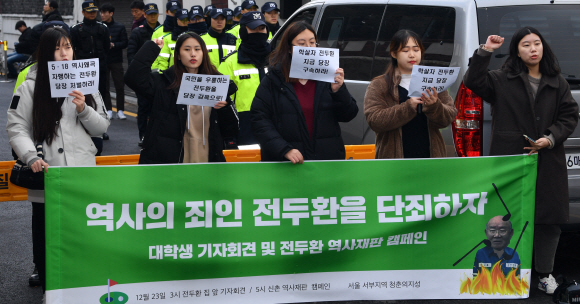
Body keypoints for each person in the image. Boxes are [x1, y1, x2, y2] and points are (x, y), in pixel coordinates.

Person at [463, 26, 579, 295]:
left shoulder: (557, 81)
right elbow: (473, 81)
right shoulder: (502, 79)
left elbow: (569, 117)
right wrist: (485, 51)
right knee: (508, 217)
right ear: (517, 50)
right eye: (526, 45)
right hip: (511, 159)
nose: (533, 49)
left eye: (537, 43)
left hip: (548, 159)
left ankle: (545, 273)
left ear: (544, 48)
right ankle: (508, 272)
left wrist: (550, 138)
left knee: (549, 219)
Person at [6, 27, 109, 294]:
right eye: (57, 48)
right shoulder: (31, 83)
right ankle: (48, 283)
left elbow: (101, 128)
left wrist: (83, 109)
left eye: (68, 47)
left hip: (82, 175)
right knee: (45, 233)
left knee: (83, 231)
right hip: (48, 172)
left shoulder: (86, 80)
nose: (64, 54)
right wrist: (30, 157)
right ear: (45, 51)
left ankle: (82, 283)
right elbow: (17, 127)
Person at [251, 21, 358, 163]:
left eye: (312, 42)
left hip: (326, 161)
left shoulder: (327, 77)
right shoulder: (274, 79)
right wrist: (284, 149)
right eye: (302, 44)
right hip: (286, 164)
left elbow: (348, 114)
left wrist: (339, 90)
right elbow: (259, 119)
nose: (309, 48)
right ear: (289, 49)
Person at [124, 33, 239, 164]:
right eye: (187, 49)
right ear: (178, 55)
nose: (193, 54)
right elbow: (132, 78)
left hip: (207, 159)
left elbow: (232, 129)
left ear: (204, 54)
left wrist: (225, 108)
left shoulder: (216, 85)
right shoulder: (164, 83)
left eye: (197, 49)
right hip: (170, 162)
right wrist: (151, 48)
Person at [364, 30, 457, 159]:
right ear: (394, 53)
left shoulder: (434, 80)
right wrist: (408, 107)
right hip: (394, 161)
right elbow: (374, 120)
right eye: (405, 50)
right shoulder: (379, 84)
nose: (412, 55)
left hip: (430, 157)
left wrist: (434, 106)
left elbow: (448, 117)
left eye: (416, 50)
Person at [219, 12, 271, 145]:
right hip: (244, 125)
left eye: (261, 28)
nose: (258, 32)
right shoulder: (230, 62)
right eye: (253, 29)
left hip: (275, 121)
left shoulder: (277, 60)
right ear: (243, 32)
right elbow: (220, 98)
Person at [70, 0, 111, 142]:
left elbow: (106, 47)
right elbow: (73, 49)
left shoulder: (103, 28)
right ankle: (84, 124)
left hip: (99, 67)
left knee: (101, 95)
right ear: (83, 12)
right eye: (89, 12)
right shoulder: (76, 29)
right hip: (82, 69)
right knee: (84, 96)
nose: (92, 14)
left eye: (94, 11)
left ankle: (100, 128)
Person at [127, 2, 160, 146]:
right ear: (145, 15)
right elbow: (131, 54)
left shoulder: (163, 31)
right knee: (143, 108)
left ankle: (157, 135)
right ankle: (143, 135)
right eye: (150, 14)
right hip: (144, 76)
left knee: (159, 108)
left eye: (155, 14)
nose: (152, 17)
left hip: (159, 76)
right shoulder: (138, 32)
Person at [100, 3, 128, 120]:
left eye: (104, 13)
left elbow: (125, 43)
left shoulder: (120, 27)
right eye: (101, 13)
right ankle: (109, 109)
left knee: (119, 85)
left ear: (111, 13)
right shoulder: (100, 27)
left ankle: (120, 110)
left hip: (116, 60)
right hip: (104, 60)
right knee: (105, 86)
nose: (102, 15)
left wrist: (114, 45)